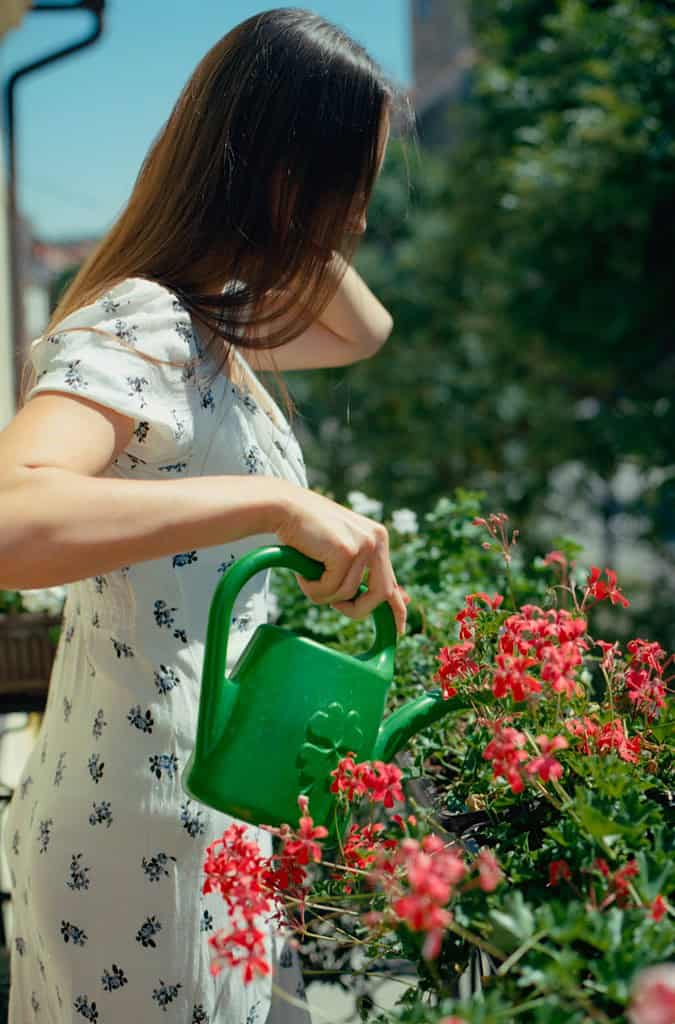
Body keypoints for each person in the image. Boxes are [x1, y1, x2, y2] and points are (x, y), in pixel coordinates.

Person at [0, 8, 413, 1023]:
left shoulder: (212, 326)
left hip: (193, 810)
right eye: (348, 185)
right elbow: (12, 517)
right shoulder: (150, 325)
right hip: (141, 834)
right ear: (290, 177)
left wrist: (280, 218)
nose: (356, 220)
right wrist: (278, 500)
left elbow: (367, 330)